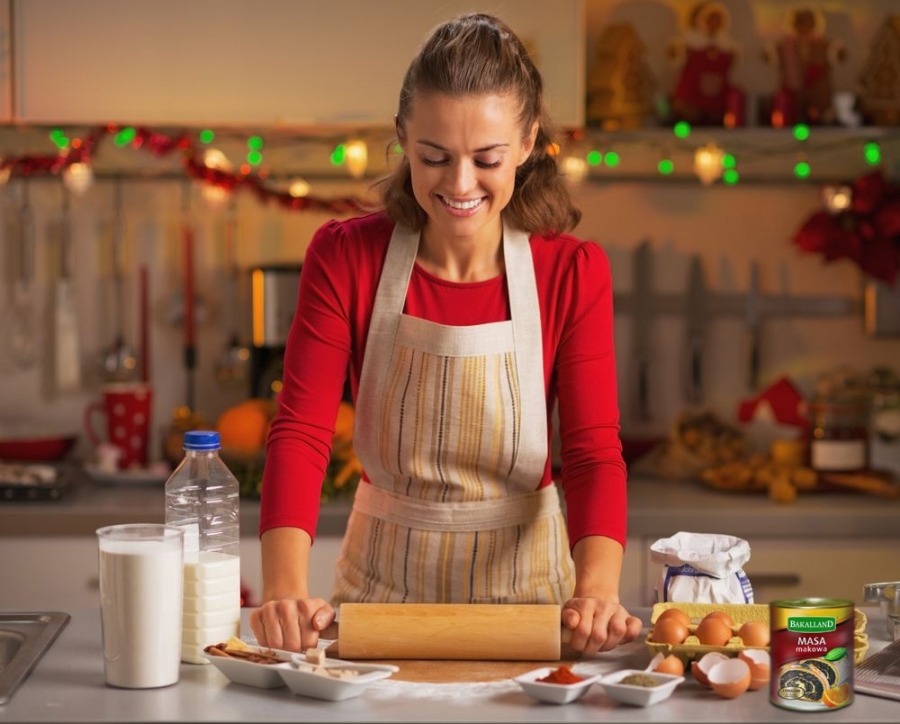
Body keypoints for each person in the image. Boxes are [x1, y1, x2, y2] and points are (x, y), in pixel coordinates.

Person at [249, 12, 641, 657]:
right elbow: (301, 431)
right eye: (434, 157)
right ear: (403, 140)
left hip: (533, 612)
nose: (459, 185)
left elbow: (594, 451)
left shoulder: (570, 271)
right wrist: (283, 591)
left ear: (527, 143)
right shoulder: (346, 257)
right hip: (376, 610)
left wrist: (596, 592)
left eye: (486, 159)